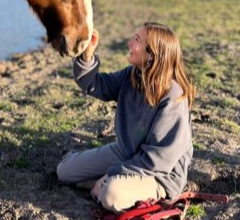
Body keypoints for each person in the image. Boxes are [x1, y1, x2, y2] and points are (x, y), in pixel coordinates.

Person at [57, 22, 195, 214]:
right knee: (64, 171)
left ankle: (105, 185)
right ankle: (101, 184)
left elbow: (157, 161)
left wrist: (113, 172)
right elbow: (95, 84)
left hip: (159, 174)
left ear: (152, 54)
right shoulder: (131, 76)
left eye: (136, 40)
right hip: (125, 152)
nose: (129, 43)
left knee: (111, 195)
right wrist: (86, 56)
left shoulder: (173, 96)